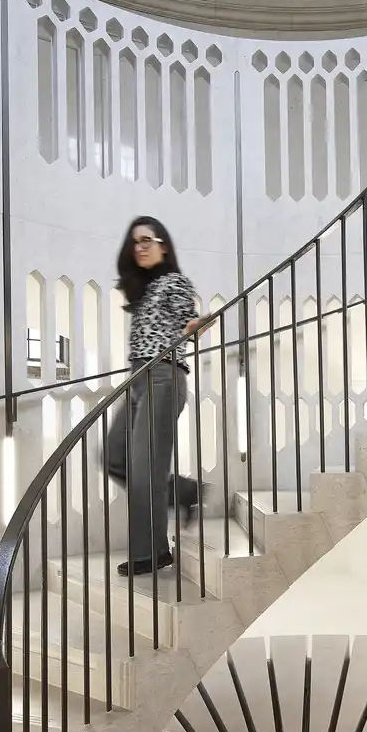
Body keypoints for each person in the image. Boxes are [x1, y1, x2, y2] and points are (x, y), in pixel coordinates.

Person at [105, 217, 208, 577]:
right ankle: (182, 492)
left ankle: (153, 552)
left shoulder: (174, 281)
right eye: (135, 242)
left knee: (144, 467)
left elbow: (188, 322)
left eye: (147, 240)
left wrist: (194, 327)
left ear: (163, 245)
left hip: (163, 376)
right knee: (114, 456)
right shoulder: (146, 290)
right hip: (139, 378)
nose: (140, 247)